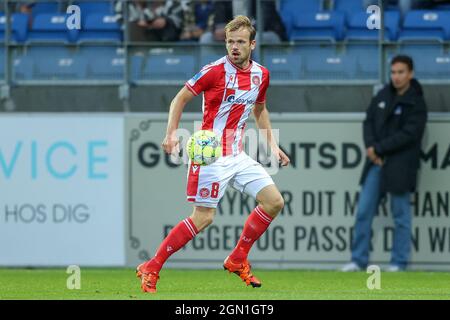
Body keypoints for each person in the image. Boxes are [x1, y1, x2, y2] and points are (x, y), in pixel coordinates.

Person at [136, 15, 290, 293]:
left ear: (252, 44)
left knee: (274, 202)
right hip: (209, 153)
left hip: (237, 154)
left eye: (240, 42)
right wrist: (171, 133)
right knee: (204, 218)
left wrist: (273, 145)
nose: (234, 47)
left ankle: (238, 257)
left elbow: (259, 110)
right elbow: (179, 98)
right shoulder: (214, 71)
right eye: (230, 41)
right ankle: (152, 266)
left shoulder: (261, 75)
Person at [341, 55, 428, 272]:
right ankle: (358, 260)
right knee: (363, 211)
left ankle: (399, 262)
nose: (396, 77)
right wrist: (371, 147)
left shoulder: (417, 101)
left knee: (400, 216)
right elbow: (368, 122)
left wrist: (378, 148)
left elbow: (410, 134)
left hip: (400, 165)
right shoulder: (383, 95)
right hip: (376, 163)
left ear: (410, 74)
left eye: (401, 72)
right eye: (393, 72)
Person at [200, 0, 287, 44]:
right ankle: (213, 76)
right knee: (206, 39)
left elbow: (263, 22)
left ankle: (254, 75)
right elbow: (218, 18)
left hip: (267, 34)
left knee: (254, 39)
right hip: (234, 35)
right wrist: (218, 29)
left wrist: (238, 32)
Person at [114, 0, 184, 41]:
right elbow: (121, 21)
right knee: (133, 28)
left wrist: (166, 21)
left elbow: (179, 22)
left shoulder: (173, 3)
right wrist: (138, 22)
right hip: (138, 35)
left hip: (163, 35)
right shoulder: (124, 3)